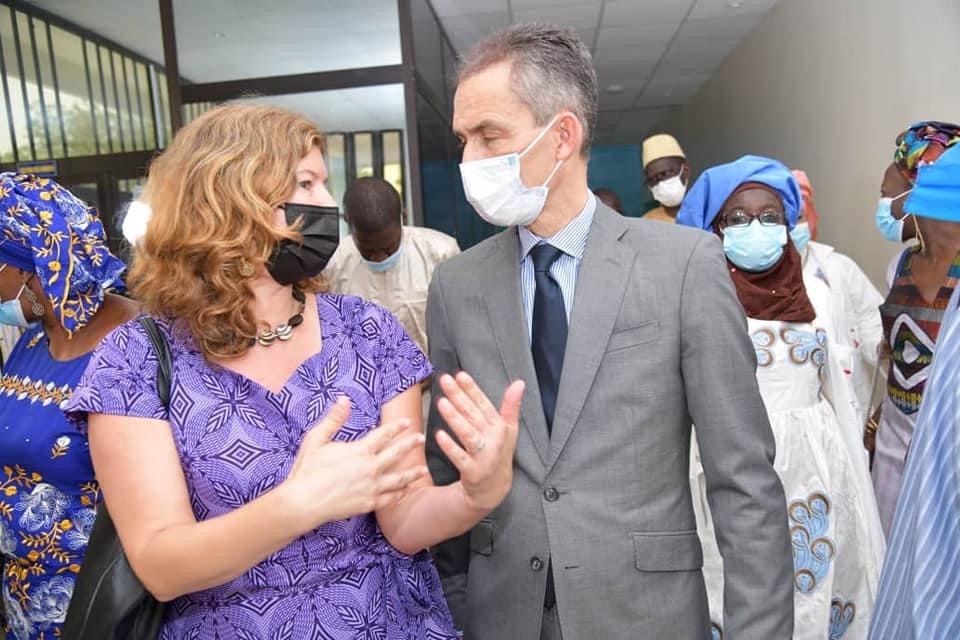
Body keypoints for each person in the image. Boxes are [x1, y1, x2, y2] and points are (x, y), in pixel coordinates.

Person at [62, 104, 524, 639]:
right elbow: (161, 567)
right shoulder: (134, 360)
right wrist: (296, 505)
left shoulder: (368, 332)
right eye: (305, 184)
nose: (328, 204)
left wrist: (473, 495)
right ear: (226, 200)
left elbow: (403, 522)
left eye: (324, 184)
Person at [426, 24, 793, 640]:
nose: (469, 162)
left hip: (645, 615)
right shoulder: (455, 286)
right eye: (464, 140)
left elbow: (744, 482)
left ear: (562, 136)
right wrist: (459, 607)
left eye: (490, 135)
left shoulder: (682, 265)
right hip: (501, 615)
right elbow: (446, 466)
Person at [678, 156, 885, 640]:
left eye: (770, 216)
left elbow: (841, 389)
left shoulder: (817, 294)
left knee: (821, 588)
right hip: (730, 465)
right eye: (738, 217)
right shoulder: (695, 298)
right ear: (715, 228)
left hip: (817, 466)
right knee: (739, 586)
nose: (757, 228)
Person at [0, 173, 137, 640]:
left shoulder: (136, 345)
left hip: (100, 610)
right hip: (26, 601)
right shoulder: (32, 342)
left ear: (30, 268)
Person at [869, 144, 960, 639]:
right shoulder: (899, 266)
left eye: (894, 195)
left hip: (946, 439)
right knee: (894, 552)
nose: (890, 206)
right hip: (896, 437)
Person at [323, 176, 460, 355]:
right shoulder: (332, 265)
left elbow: (461, 324)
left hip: (432, 371)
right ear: (349, 226)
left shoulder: (441, 253)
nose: (379, 258)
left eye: (388, 248)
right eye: (367, 250)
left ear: (403, 218)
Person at [791, 169, 884, 428]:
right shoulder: (754, 280)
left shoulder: (838, 267)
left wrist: (882, 347)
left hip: (850, 406)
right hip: (797, 410)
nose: (793, 227)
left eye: (799, 217)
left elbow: (873, 322)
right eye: (785, 218)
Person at [642, 133, 689, 223]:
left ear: (685, 171)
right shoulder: (646, 223)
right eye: (653, 179)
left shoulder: (709, 212)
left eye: (665, 174)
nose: (660, 183)